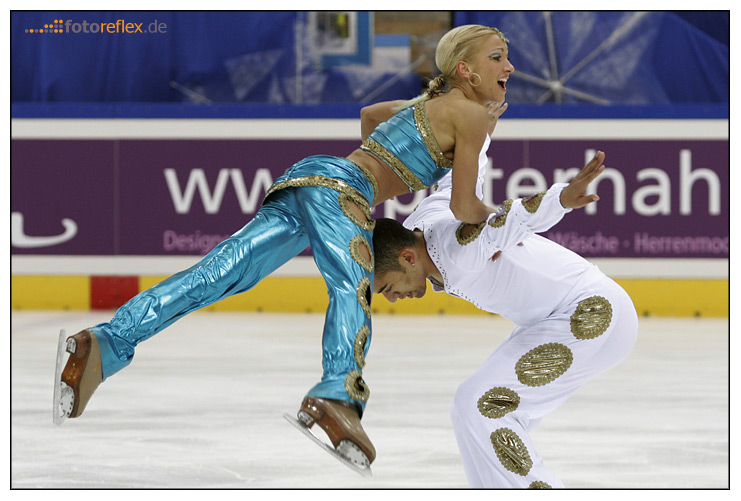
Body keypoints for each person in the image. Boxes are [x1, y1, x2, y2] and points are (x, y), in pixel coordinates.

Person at [54, 24, 516, 470]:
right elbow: (463, 204)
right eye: (496, 57)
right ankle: (338, 396)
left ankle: (110, 341)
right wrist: (508, 221)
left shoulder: (430, 104)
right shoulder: (473, 116)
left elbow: (370, 117)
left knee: (218, 274)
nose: (509, 68)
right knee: (352, 286)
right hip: (342, 191)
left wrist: (385, 160)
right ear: (464, 70)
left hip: (311, 176)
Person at [371, 149, 639, 487]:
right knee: (469, 408)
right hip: (553, 320)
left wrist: (562, 199)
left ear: (407, 257)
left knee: (482, 405)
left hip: (593, 313)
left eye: (389, 287)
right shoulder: (421, 223)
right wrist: (478, 127)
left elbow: (509, 220)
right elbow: (461, 172)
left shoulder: (459, 248)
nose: (393, 298)